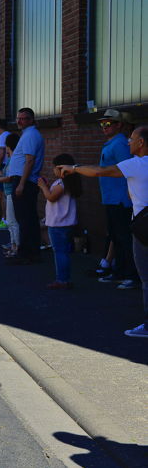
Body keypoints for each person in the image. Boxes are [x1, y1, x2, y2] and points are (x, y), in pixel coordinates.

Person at [58, 125, 148, 338]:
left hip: (144, 228)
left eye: (132, 139)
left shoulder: (136, 164)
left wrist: (74, 168)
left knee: (146, 277)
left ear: (142, 143)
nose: (129, 142)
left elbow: (101, 171)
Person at [95, 109, 138, 289]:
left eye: (108, 123)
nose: (104, 127)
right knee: (116, 236)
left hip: (121, 199)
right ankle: (119, 272)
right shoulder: (112, 143)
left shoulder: (120, 144)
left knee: (124, 238)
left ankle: (130, 275)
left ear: (119, 125)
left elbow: (127, 171)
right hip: (111, 198)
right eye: (102, 124)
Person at [6, 108, 45, 265]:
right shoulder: (29, 134)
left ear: (31, 120)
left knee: (25, 219)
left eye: (24, 118)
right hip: (24, 180)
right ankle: (31, 252)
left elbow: (30, 160)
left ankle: (26, 253)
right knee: (28, 218)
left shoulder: (30, 135)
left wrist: (21, 183)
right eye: (18, 118)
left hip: (25, 182)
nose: (20, 121)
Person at [38, 154, 82, 290]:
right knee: (63, 251)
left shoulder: (61, 184)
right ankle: (64, 278)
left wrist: (43, 186)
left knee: (60, 252)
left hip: (59, 223)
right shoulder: (69, 183)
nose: (53, 170)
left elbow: (51, 197)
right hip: (66, 222)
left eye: (55, 168)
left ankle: (62, 280)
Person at [0, 133, 21, 257]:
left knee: (12, 221)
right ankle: (13, 245)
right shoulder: (12, 160)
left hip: (11, 193)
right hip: (8, 193)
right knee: (11, 221)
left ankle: (16, 247)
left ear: (8, 146)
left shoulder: (13, 160)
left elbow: (9, 178)